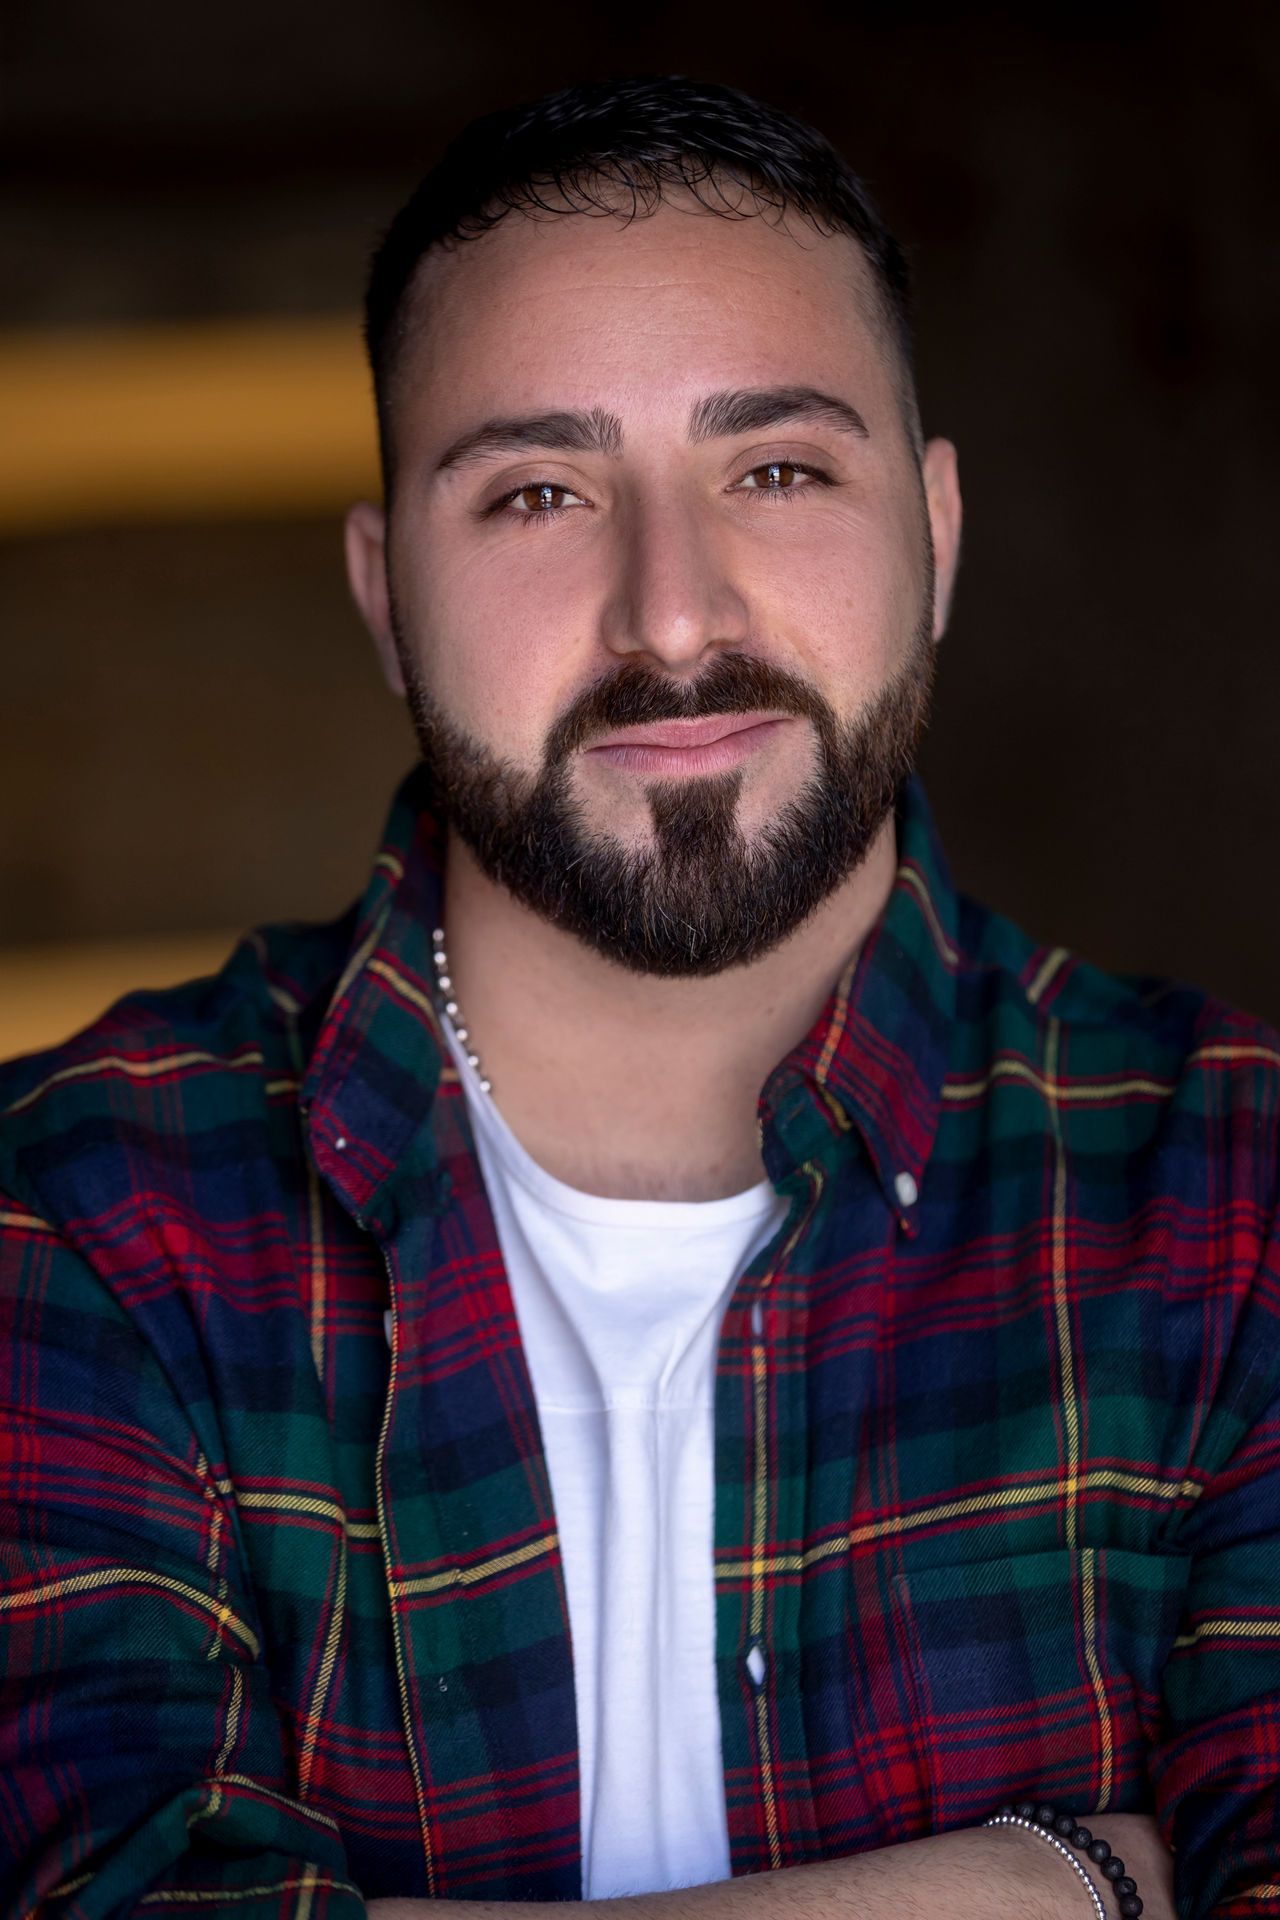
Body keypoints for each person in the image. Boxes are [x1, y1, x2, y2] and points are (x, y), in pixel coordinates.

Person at [0, 74, 1274, 1920]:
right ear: (385, 595)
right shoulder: (77, 1209)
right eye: (538, 492)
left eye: (777, 471)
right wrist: (1047, 1886)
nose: (673, 617)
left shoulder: (1242, 1194)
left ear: (935, 534)